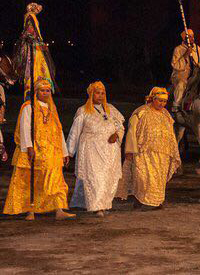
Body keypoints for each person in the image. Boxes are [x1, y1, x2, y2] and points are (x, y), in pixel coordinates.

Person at [3, 79, 75, 220]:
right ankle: (30, 211)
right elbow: (25, 128)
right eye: (42, 90)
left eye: (48, 90)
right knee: (33, 180)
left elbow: (58, 131)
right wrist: (28, 147)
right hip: (36, 149)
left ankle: (58, 210)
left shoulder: (52, 109)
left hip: (52, 151)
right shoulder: (29, 107)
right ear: (36, 92)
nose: (45, 93)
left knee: (55, 180)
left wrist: (64, 152)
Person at [66, 82, 125, 217]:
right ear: (91, 94)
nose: (100, 96)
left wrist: (116, 135)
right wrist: (69, 152)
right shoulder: (83, 111)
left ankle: (103, 203)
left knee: (109, 178)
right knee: (95, 177)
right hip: (91, 149)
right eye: (97, 93)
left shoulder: (111, 110)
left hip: (110, 150)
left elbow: (120, 127)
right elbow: (75, 132)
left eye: (102, 93)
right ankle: (98, 206)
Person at [116, 87, 181, 208]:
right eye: (159, 101)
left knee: (158, 179)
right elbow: (131, 132)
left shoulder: (166, 114)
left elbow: (171, 134)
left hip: (163, 153)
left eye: (164, 101)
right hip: (144, 152)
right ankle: (140, 200)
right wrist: (130, 150)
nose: (162, 104)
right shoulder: (141, 112)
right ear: (153, 99)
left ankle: (156, 201)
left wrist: (173, 150)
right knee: (143, 177)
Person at [170, 29, 200, 112]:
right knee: (181, 84)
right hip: (182, 73)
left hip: (196, 73)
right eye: (189, 37)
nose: (192, 38)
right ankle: (176, 105)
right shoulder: (178, 49)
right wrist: (186, 55)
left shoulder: (197, 49)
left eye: (192, 36)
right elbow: (175, 65)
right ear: (184, 38)